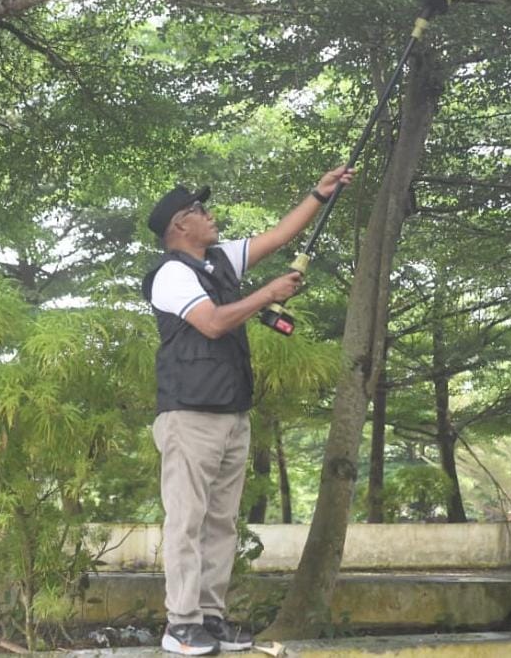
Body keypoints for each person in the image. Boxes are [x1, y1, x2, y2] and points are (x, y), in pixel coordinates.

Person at [141, 165, 353, 656]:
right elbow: (213, 323)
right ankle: (181, 623)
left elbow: (279, 237)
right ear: (180, 226)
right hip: (188, 416)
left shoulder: (218, 262)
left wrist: (318, 194)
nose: (210, 215)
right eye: (199, 211)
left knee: (221, 522)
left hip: (231, 413)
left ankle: (209, 618)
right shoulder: (172, 274)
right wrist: (267, 295)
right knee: (187, 521)